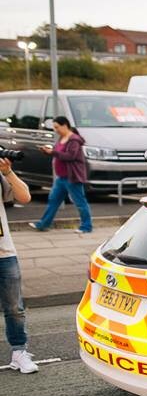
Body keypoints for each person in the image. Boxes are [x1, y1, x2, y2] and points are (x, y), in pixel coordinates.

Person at [0, 158, 38, 375]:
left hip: (4, 252)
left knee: (14, 308)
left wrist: (8, 172)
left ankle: (19, 352)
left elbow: (24, 197)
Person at [29, 116, 92, 234]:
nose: (55, 130)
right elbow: (59, 153)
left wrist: (52, 152)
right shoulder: (62, 138)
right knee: (53, 200)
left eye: (57, 127)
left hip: (72, 177)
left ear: (65, 125)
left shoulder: (74, 140)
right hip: (61, 177)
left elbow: (70, 156)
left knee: (80, 202)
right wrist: (49, 151)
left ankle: (86, 226)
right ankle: (43, 224)